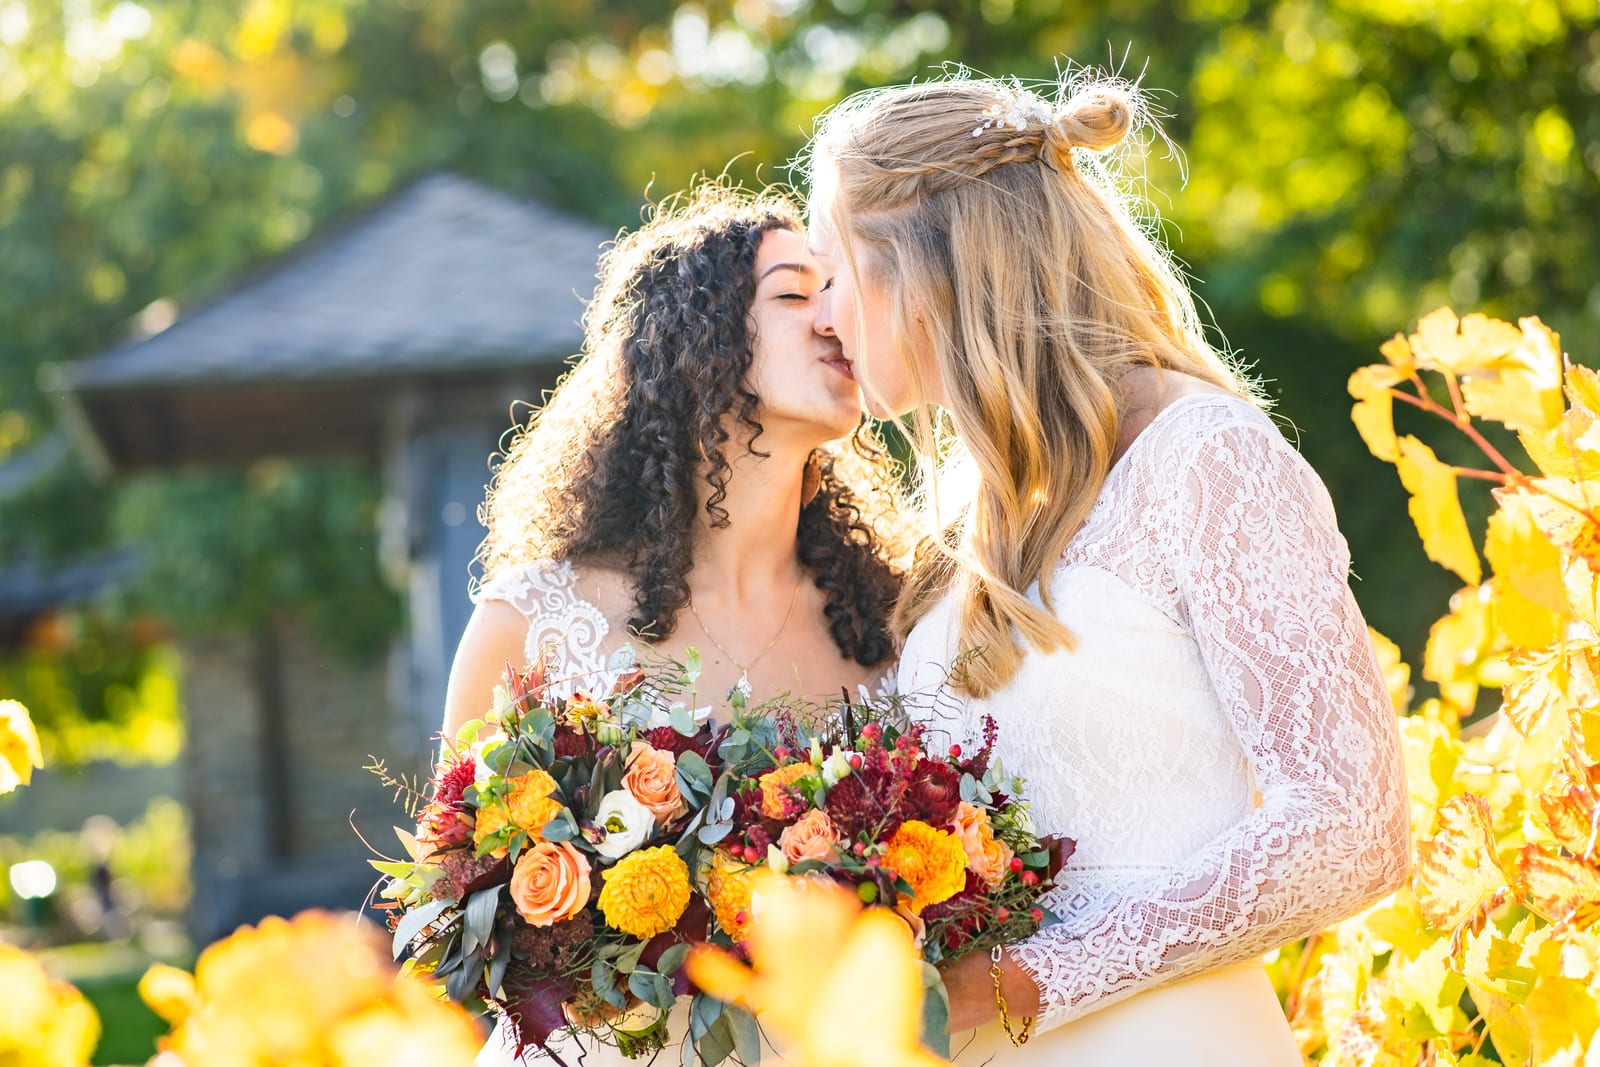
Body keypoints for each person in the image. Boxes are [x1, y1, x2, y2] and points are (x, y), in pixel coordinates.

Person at [801, 71, 1411, 1065]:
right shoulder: (974, 511)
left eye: (830, 272)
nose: (823, 313)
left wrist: (1026, 981)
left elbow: (1353, 824)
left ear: (923, 268)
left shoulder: (1204, 455)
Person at [443, 181, 910, 1065]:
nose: (835, 318)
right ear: (694, 342)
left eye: (838, 289)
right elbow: (456, 912)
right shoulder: (530, 620)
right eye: (793, 292)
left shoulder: (894, 619)